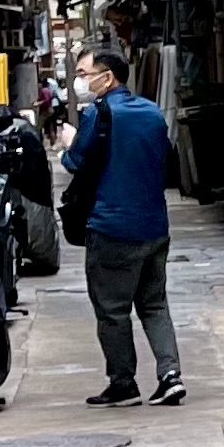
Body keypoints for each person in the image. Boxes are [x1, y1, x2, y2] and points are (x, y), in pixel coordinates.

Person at [60, 46, 185, 407]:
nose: (80, 81)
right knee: (154, 303)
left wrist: (68, 144)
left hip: (111, 226)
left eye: (84, 74)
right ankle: (170, 375)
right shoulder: (151, 112)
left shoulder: (98, 114)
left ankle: (123, 382)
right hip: (154, 224)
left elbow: (75, 162)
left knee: (112, 309)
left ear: (107, 77)